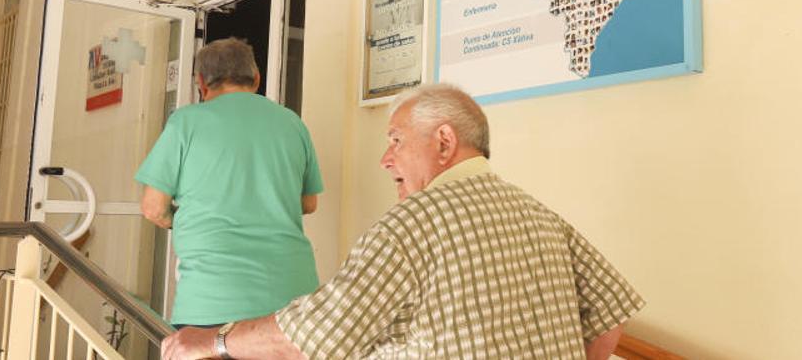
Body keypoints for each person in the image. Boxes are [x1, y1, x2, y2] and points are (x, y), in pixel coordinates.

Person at [161, 83, 644, 359]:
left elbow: (310, 337)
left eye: (396, 140)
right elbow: (610, 314)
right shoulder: (539, 215)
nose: (385, 160)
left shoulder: (413, 224)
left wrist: (213, 340)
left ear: (444, 142)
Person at [136, 38, 323, 329]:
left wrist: (180, 220)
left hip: (212, 300)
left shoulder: (185, 122)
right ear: (256, 78)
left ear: (201, 83)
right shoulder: (292, 123)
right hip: (293, 299)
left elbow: (153, 208)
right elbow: (309, 202)